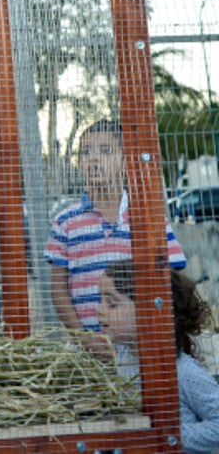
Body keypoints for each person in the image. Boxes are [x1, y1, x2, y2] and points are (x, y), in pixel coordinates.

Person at [44, 119, 187, 357]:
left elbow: (172, 279)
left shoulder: (148, 219)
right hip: (88, 354)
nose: (93, 158)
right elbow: (58, 289)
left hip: (142, 351)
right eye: (86, 151)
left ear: (125, 161)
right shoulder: (65, 222)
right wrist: (85, 340)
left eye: (106, 150)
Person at [99, 259, 219, 453]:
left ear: (148, 311)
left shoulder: (182, 371)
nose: (99, 309)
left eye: (112, 303)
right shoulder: (123, 357)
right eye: (100, 300)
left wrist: (168, 436)